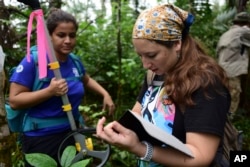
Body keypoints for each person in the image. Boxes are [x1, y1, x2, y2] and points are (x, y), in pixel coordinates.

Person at [96, 4, 231, 167]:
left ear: (176, 44)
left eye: (151, 55)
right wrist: (116, 131)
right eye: (140, 56)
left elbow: (200, 156)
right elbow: (136, 118)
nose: (145, 64)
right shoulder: (155, 74)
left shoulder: (205, 83)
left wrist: (141, 149)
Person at [8, 8, 115, 166]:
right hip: (40, 138)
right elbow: (14, 101)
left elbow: (85, 78)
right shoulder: (34, 61)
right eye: (61, 35)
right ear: (49, 36)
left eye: (72, 35)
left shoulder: (74, 61)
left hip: (72, 132)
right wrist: (49, 91)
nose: (67, 40)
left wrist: (105, 94)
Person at [216, 11, 250, 116]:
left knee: (222, 97)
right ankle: (228, 124)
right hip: (232, 71)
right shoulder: (243, 32)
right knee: (233, 96)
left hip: (220, 70)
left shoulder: (226, 34)